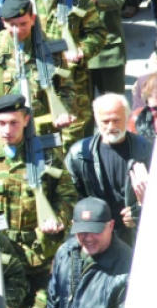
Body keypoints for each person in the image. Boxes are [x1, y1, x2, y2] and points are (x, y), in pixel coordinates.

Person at [0, 93, 79, 308]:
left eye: (13, 123)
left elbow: (67, 194)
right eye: (1, 123)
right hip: (4, 253)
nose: (7, 130)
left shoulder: (46, 155)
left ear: (26, 120)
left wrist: (59, 218)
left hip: (40, 250)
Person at [0, 0, 91, 147]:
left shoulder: (50, 49)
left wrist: (64, 111)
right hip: (5, 134)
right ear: (3, 22)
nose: (17, 30)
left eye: (23, 24)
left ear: (33, 19)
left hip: (43, 132)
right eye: (12, 25)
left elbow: (66, 88)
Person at [65, 93, 151, 242]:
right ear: (97, 120)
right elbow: (68, 197)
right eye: (105, 121)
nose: (111, 127)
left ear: (127, 117)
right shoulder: (79, 154)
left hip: (135, 236)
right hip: (95, 233)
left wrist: (140, 211)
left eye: (116, 120)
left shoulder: (146, 150)